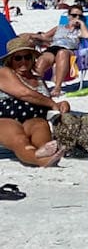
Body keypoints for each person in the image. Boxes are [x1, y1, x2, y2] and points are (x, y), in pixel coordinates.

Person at [0, 36, 68, 166]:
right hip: (5, 119)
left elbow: (43, 101)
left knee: (40, 126)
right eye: (18, 58)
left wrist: (61, 105)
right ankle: (39, 159)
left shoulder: (38, 79)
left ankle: (44, 151)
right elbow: (24, 94)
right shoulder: (4, 72)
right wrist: (52, 103)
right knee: (19, 138)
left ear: (33, 59)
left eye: (27, 57)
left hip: (32, 120)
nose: (23, 61)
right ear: (10, 60)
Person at [36, 7, 88, 97]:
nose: (77, 17)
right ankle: (39, 86)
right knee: (43, 58)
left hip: (69, 50)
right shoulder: (59, 28)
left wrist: (81, 23)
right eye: (74, 15)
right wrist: (32, 36)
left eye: (80, 16)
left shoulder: (80, 30)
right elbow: (44, 36)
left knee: (62, 53)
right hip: (53, 48)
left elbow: (87, 36)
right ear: (69, 16)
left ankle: (57, 87)